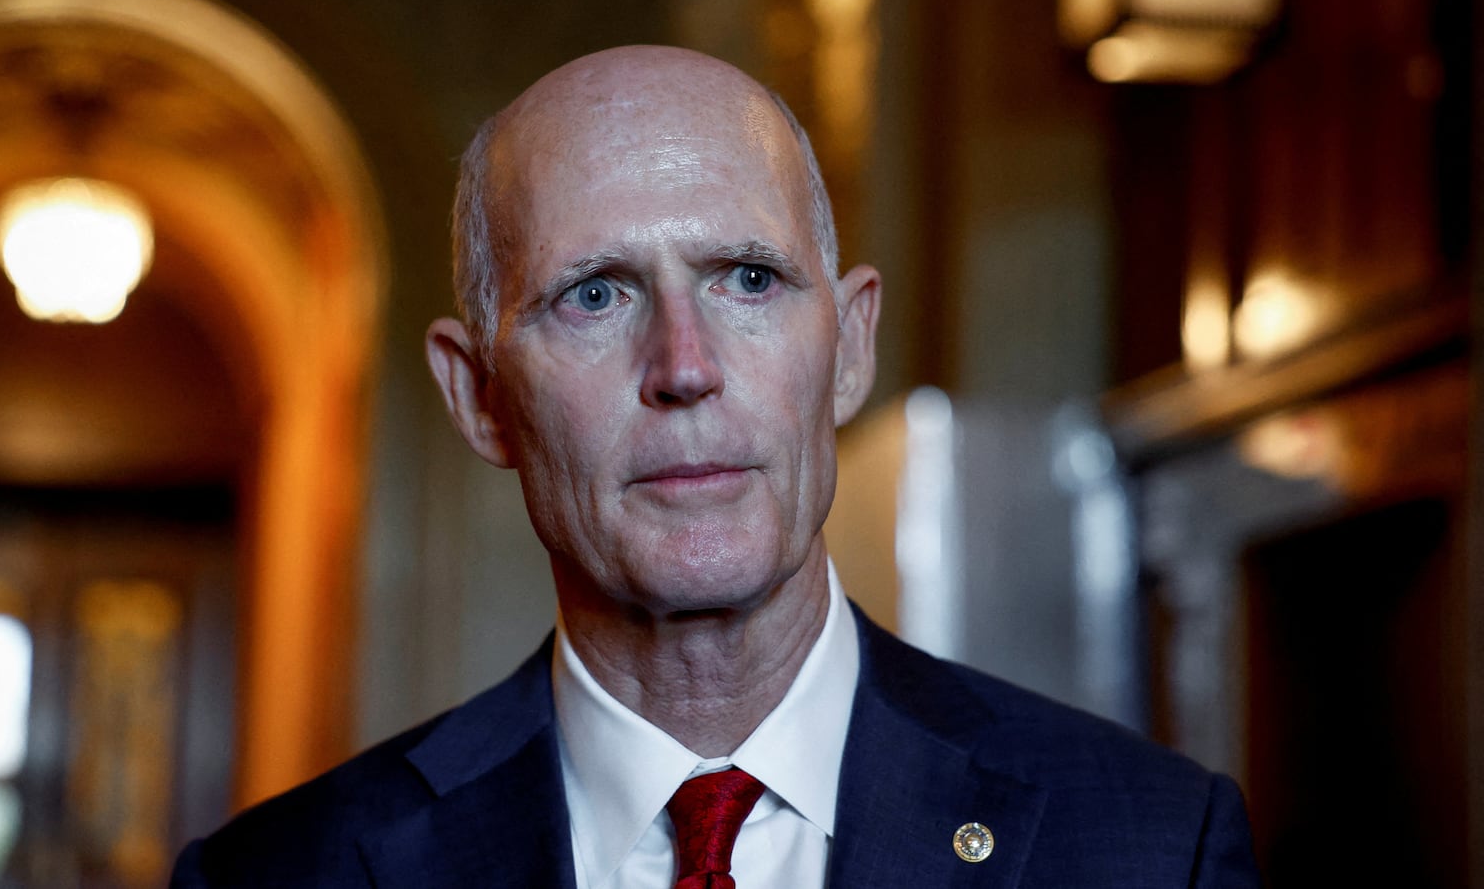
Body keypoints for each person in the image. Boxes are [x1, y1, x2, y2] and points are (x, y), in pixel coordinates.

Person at [171, 45, 1260, 888]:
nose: (685, 367)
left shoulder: (1151, 847)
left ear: (850, 347)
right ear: (479, 398)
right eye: (594, 294)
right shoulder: (279, 874)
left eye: (747, 278)